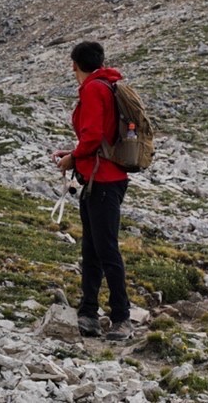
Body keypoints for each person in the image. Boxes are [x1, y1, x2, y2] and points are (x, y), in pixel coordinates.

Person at [52, 40, 132, 340]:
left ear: (74, 64)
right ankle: (88, 313)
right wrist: (73, 154)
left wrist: (73, 156)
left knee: (105, 248)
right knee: (93, 247)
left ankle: (121, 317)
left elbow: (94, 135)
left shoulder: (93, 89)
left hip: (103, 181)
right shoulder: (106, 85)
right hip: (102, 178)